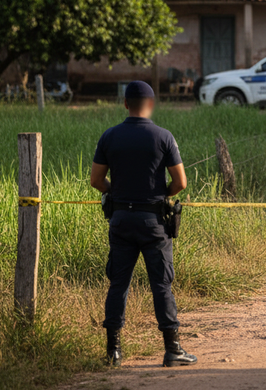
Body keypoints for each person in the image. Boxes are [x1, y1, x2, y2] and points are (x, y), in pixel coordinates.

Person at [90, 81, 197, 368]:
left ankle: (113, 350)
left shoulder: (109, 136)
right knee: (161, 285)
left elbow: (96, 181)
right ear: (151, 104)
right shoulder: (163, 137)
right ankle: (172, 349)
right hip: (154, 223)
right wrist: (163, 195)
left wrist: (116, 192)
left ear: (125, 104)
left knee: (118, 284)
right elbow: (180, 182)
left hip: (121, 220)